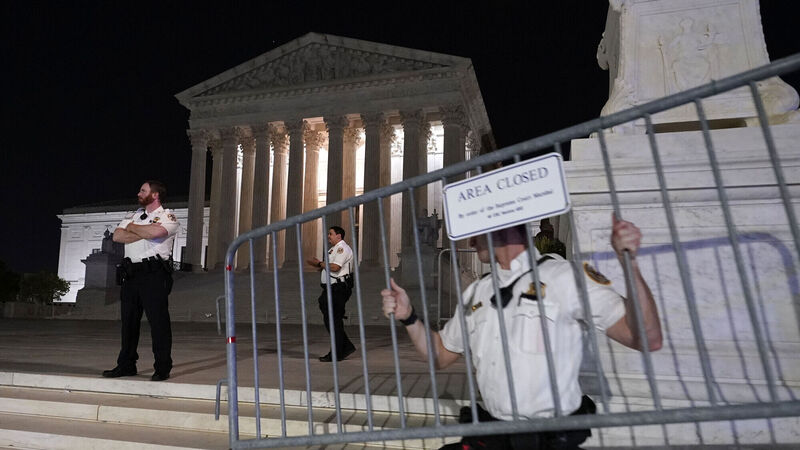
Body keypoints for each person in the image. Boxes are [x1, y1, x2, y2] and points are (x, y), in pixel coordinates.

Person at [381, 214, 662, 449]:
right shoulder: (477, 291)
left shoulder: (567, 277)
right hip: (495, 435)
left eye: (474, 231)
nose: (470, 242)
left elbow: (647, 338)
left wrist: (629, 263)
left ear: (499, 226)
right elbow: (440, 355)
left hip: (551, 438)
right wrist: (409, 317)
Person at [103, 180, 179, 381]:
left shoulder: (167, 216)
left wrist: (132, 228)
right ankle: (126, 364)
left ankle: (162, 367)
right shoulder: (133, 215)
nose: (138, 193)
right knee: (128, 322)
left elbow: (156, 233)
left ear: (155, 195)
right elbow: (117, 237)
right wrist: (143, 232)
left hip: (154, 274)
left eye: (143, 190)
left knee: (158, 322)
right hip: (131, 274)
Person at [306, 226, 356, 362]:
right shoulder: (333, 249)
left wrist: (319, 263)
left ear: (339, 236)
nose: (328, 236)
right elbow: (327, 268)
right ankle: (345, 347)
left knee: (333, 321)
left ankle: (338, 352)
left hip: (338, 289)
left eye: (330, 234)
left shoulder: (342, 248)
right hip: (330, 289)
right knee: (331, 320)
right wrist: (318, 265)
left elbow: (335, 267)